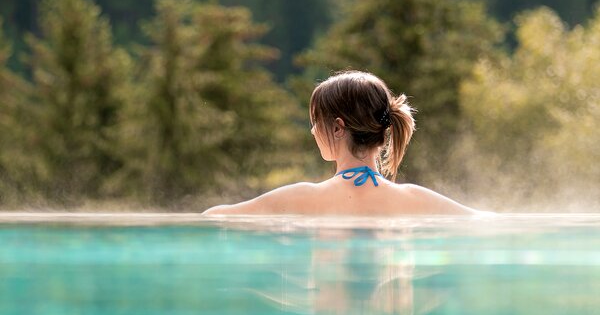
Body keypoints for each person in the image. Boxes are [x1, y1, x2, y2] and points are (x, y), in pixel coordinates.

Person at [202, 70, 480, 216]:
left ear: (337, 128)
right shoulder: (417, 200)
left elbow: (213, 218)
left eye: (316, 121)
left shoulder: (301, 198)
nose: (312, 131)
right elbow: (487, 222)